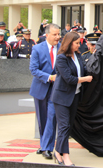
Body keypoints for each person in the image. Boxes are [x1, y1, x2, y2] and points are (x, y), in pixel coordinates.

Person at [50, 32, 93, 166]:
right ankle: (65, 156)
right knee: (64, 126)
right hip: (62, 97)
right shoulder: (61, 58)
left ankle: (58, 151)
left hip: (74, 96)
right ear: (69, 43)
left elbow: (84, 69)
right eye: (76, 43)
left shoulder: (78, 55)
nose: (78, 45)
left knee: (67, 127)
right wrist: (85, 79)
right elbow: (69, 79)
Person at [29, 24, 61, 159]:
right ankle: (44, 145)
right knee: (42, 119)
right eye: (55, 34)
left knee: (52, 117)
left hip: (56, 90)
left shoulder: (62, 49)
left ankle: (47, 147)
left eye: (58, 34)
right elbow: (34, 69)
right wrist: (49, 77)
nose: (58, 37)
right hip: (41, 88)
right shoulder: (37, 49)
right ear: (47, 35)